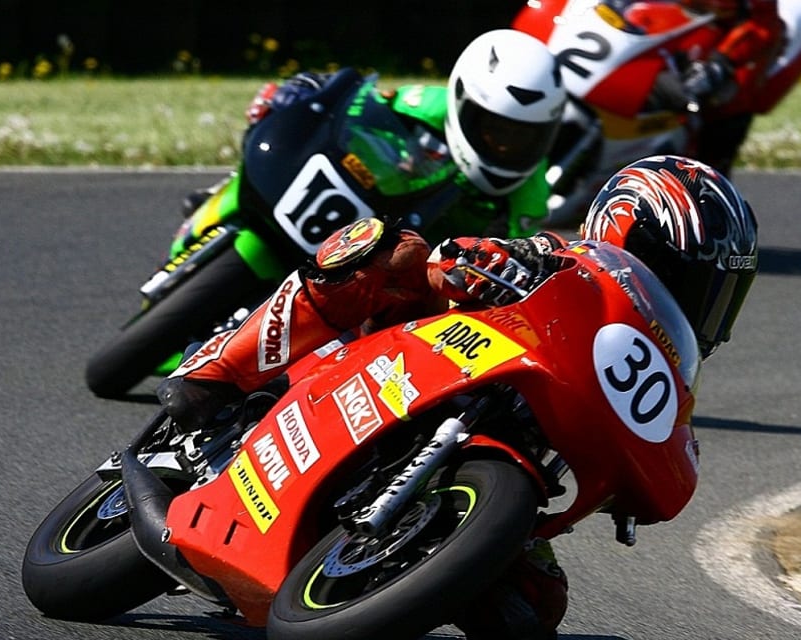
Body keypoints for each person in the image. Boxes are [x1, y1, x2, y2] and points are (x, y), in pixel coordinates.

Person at [156, 154, 759, 639]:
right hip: (410, 357)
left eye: (721, 292)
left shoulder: (665, 367)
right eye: (694, 279)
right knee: (390, 251)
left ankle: (384, 562)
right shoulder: (556, 257)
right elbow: (455, 259)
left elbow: (668, 452)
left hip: (493, 449)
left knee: (536, 608)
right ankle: (220, 370)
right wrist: (480, 261)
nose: (704, 302)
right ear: (630, 232)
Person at [184, 28, 568, 240]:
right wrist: (309, 90)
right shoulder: (424, 105)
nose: (504, 144)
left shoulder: (532, 195)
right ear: (461, 101)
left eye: (524, 137)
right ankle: (228, 189)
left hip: (422, 259)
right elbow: (355, 111)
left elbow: (509, 258)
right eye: (494, 128)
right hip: (376, 207)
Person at [677, 0, 786, 174]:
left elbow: (762, 25)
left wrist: (720, 64)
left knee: (705, 169)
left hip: (725, 73)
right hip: (669, 51)